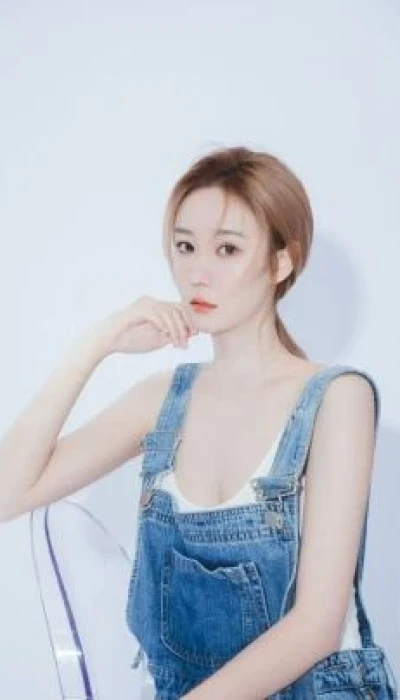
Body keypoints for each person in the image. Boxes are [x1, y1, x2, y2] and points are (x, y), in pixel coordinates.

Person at [0, 145, 397, 700]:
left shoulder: (336, 398)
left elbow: (316, 627)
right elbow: (9, 492)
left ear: (281, 263)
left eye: (227, 248)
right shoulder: (163, 399)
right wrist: (97, 344)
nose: (197, 272)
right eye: (185, 246)